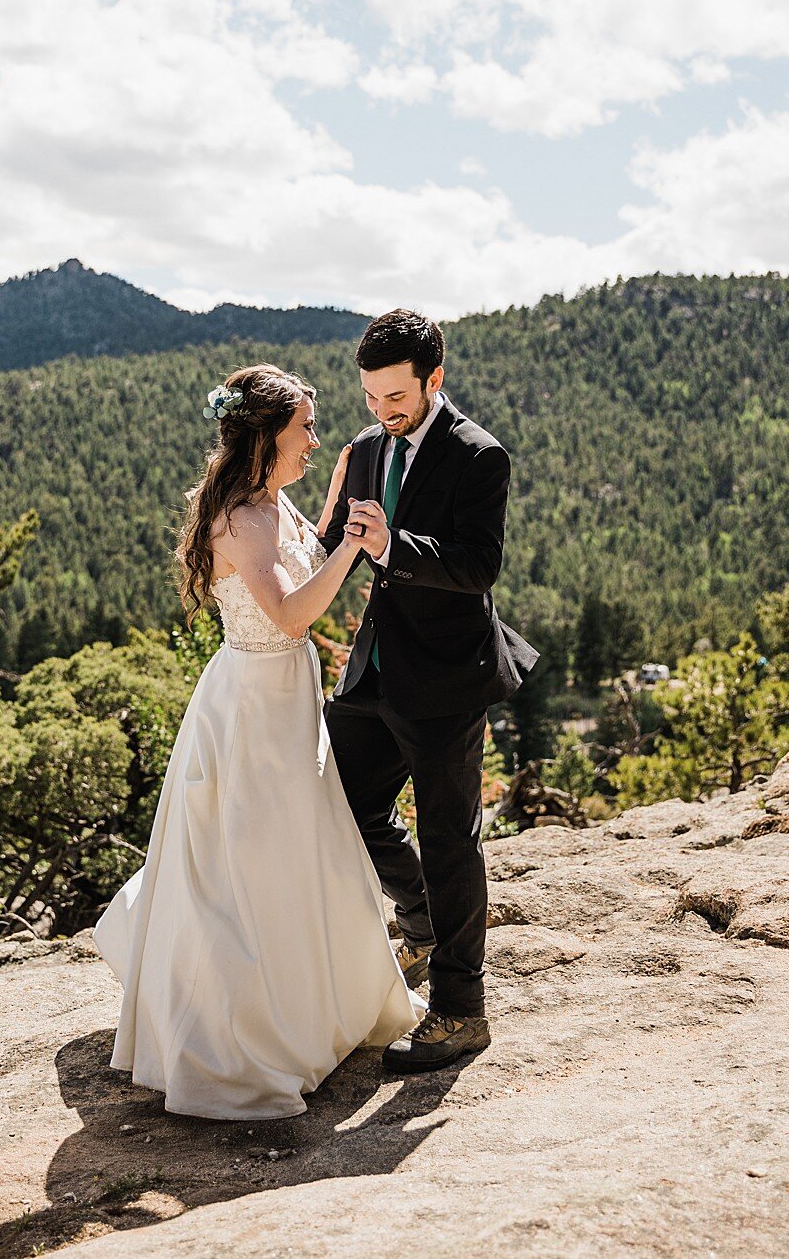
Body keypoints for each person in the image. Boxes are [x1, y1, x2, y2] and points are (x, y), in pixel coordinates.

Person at [92, 363, 422, 1120]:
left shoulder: (272, 500)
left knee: (298, 857)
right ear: (266, 437)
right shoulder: (241, 519)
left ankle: (313, 1012)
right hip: (252, 711)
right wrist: (353, 547)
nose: (314, 437)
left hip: (288, 702)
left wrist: (336, 498)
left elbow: (303, 540)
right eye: (305, 427)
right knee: (252, 868)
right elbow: (293, 615)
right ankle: (250, 1034)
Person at [320, 309, 537, 1074]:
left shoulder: (480, 456)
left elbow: (478, 566)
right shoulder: (368, 447)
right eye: (372, 397)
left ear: (434, 379)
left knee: (450, 836)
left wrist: (392, 545)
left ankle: (461, 1011)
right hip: (373, 668)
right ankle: (418, 920)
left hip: (447, 678)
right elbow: (337, 546)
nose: (382, 413)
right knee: (337, 798)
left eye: (397, 398)